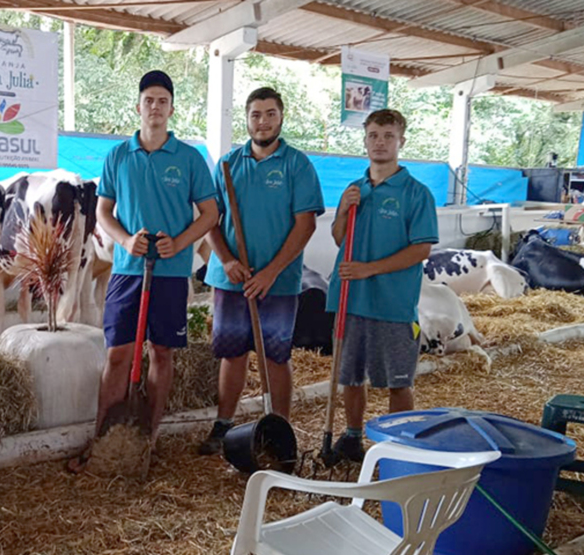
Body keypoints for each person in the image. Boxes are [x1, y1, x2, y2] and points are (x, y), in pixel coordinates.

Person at [69, 70, 219, 472]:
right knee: (118, 354)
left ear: (171, 109)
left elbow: (210, 213)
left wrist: (181, 242)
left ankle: (146, 440)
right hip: (128, 271)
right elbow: (103, 211)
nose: (155, 107)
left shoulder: (189, 158)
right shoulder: (118, 156)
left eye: (163, 101)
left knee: (163, 353)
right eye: (149, 100)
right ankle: (104, 439)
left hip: (170, 274)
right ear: (138, 107)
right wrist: (124, 239)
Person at [197, 87, 324, 455]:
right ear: (247, 119)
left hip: (278, 282)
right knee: (232, 353)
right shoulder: (227, 164)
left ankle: (278, 428)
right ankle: (223, 425)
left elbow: (305, 225)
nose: (263, 121)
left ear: (281, 118)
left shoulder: (296, 165)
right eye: (256, 114)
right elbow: (210, 220)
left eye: (270, 113)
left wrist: (270, 272)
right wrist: (227, 260)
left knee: (275, 355)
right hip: (232, 279)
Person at [326, 108, 438, 463]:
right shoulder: (355, 189)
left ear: (401, 142)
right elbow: (339, 239)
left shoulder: (416, 193)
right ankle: (352, 437)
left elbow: (421, 249)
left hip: (392, 303)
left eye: (388, 136)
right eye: (374, 135)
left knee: (398, 380)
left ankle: (399, 445)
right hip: (350, 299)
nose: (380, 143)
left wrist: (369, 269)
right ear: (365, 140)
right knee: (350, 376)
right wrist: (343, 210)